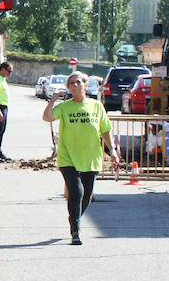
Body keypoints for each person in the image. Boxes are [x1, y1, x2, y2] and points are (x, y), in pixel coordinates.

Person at [43, 72, 116, 246]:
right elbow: (47, 117)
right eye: (72, 83)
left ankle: (73, 218)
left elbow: (105, 129)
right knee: (76, 192)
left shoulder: (96, 106)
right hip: (68, 157)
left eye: (78, 82)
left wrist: (112, 150)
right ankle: (76, 230)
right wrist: (52, 100)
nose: (75, 86)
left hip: (91, 156)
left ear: (85, 84)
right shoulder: (65, 107)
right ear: (68, 88)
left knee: (87, 195)